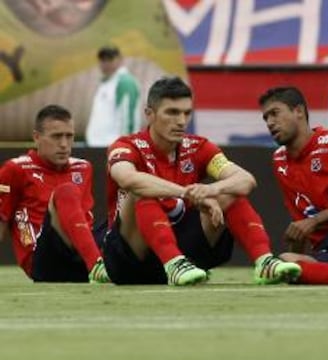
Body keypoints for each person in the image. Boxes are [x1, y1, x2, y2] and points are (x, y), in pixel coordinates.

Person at [101, 76, 301, 286]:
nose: (181, 121)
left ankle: (264, 262)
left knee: (230, 193)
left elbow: (245, 180)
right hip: (128, 260)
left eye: (187, 113)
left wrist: (210, 191)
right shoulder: (126, 145)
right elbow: (127, 178)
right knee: (141, 191)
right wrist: (187, 193)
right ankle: (174, 264)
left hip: (186, 253)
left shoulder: (198, 147)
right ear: (149, 114)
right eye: (172, 112)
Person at [259, 86, 328, 285]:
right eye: (266, 118)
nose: (270, 123)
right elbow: (301, 221)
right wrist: (291, 269)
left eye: (275, 113)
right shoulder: (279, 161)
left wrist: (315, 221)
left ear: (298, 111)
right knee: (286, 263)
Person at [0, 104, 110, 283]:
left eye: (69, 136)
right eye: (56, 137)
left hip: (81, 253)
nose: (64, 144)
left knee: (127, 205)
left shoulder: (83, 167)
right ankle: (97, 265)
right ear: (36, 137)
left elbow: (85, 217)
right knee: (66, 192)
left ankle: (166, 266)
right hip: (43, 259)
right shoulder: (15, 169)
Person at [85, 45, 142, 147]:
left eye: (110, 59)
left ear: (120, 60)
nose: (106, 64)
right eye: (103, 60)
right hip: (97, 145)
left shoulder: (125, 82)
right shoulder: (106, 82)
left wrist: (126, 147)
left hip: (113, 147)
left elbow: (128, 118)